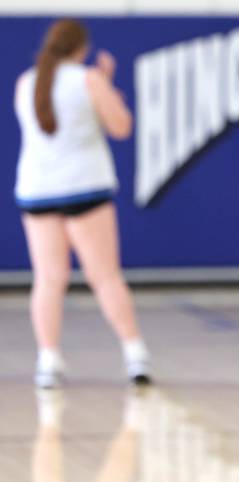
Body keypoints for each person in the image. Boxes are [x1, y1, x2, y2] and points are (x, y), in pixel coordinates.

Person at [14, 19, 151, 388]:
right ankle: (134, 354)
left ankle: (48, 360)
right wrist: (106, 85)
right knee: (104, 276)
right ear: (81, 47)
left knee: (47, 278)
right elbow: (120, 126)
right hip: (84, 187)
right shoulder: (88, 79)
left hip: (37, 190)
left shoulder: (26, 82)